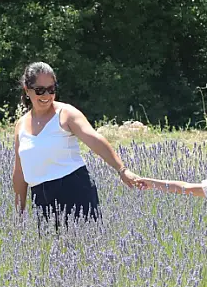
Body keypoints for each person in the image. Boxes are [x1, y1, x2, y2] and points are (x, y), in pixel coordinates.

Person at [11, 62, 142, 226]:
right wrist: (19, 213)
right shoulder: (21, 125)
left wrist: (122, 170)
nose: (46, 95)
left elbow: (94, 140)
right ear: (27, 90)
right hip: (40, 199)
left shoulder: (66, 114)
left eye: (51, 89)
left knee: (85, 248)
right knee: (51, 250)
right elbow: (19, 171)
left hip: (73, 191)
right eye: (40, 90)